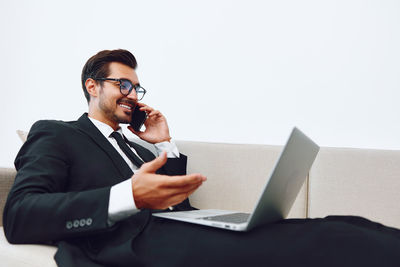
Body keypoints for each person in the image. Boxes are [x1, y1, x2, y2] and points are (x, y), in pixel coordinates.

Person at [4, 49, 400, 267]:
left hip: (177, 231)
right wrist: (130, 196)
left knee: (343, 224)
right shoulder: (57, 132)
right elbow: (20, 215)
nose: (132, 93)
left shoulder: (138, 149)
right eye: (122, 83)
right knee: (331, 241)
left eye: (137, 88)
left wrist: (164, 144)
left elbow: (180, 209)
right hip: (130, 244)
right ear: (92, 86)